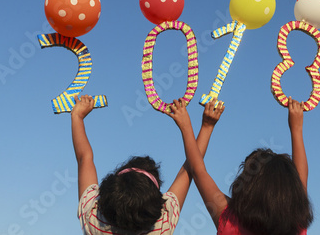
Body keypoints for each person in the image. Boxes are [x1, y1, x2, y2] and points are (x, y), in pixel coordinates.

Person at [72, 94, 225, 234]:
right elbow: (192, 168)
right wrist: (205, 126)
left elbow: (84, 158)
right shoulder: (161, 225)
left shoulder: (93, 218)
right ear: (157, 203)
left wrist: (77, 116)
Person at [169, 97, 313, 235]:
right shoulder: (297, 224)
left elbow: (198, 170)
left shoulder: (229, 220)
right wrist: (297, 129)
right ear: (292, 191)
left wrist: (194, 126)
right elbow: (301, 178)